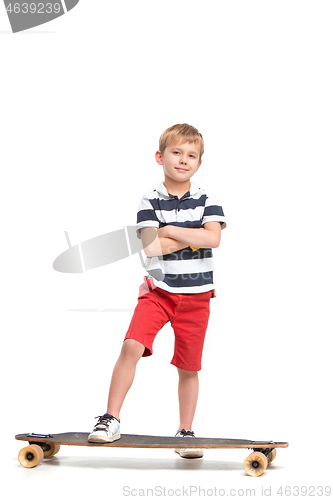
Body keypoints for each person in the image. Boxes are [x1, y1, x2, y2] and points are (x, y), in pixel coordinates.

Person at [88, 124, 226, 458]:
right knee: (131, 346)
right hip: (159, 291)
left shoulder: (208, 199)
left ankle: (185, 432)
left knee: (189, 367)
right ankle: (110, 419)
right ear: (159, 156)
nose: (183, 160)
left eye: (191, 155)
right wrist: (193, 234)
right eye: (176, 153)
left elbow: (214, 239)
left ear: (199, 163)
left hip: (197, 297)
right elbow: (151, 248)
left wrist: (172, 230)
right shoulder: (149, 200)